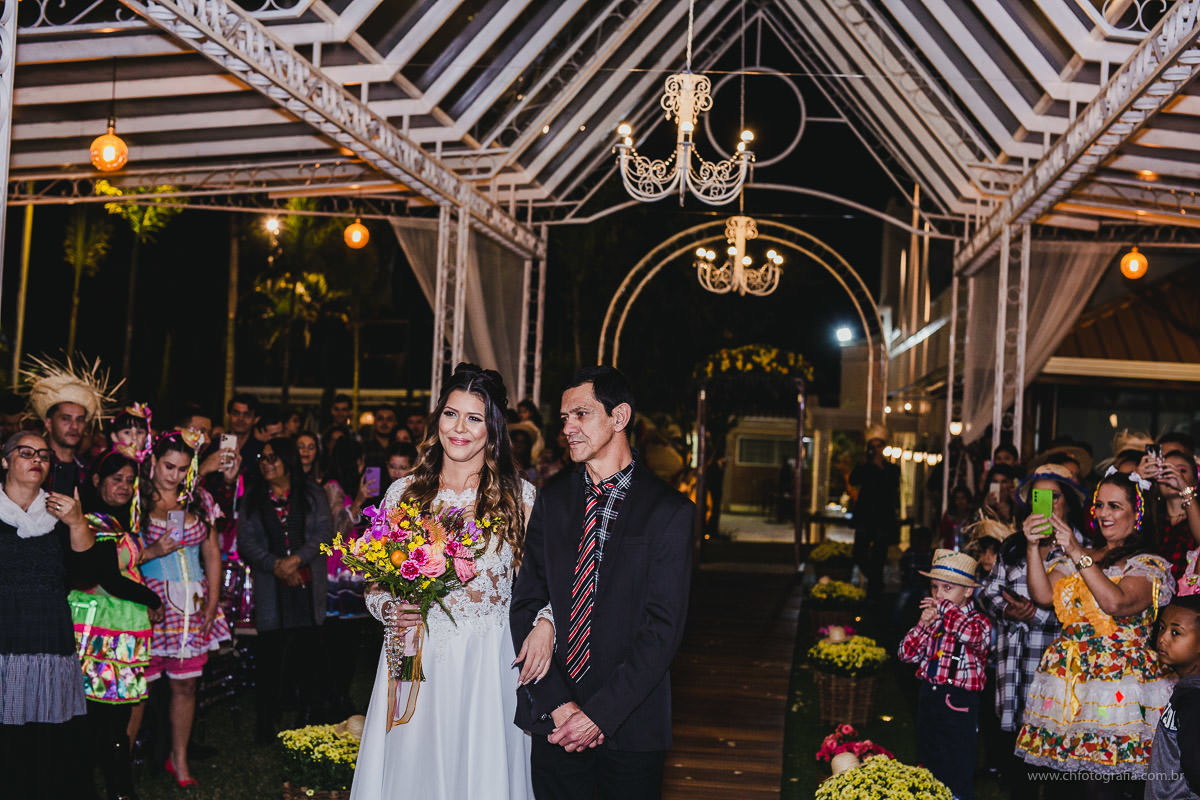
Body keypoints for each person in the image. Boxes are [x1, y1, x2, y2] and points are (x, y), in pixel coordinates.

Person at [352, 364, 552, 800]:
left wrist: (546, 624)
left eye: (474, 418)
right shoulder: (403, 495)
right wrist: (390, 608)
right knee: (411, 770)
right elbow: (374, 584)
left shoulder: (520, 499)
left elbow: (549, 585)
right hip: (413, 657)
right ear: (436, 419)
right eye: (450, 414)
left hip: (488, 663)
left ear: (493, 429)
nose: (459, 428)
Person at [511, 365, 694, 800]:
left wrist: (597, 715)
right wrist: (558, 704)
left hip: (630, 726)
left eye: (581, 414)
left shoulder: (668, 511)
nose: (568, 428)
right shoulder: (552, 499)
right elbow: (525, 602)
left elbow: (662, 630)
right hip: (554, 721)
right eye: (564, 419)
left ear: (620, 417)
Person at [1015, 471, 1175, 795]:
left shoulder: (1147, 564)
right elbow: (1043, 594)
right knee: (1064, 785)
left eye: (1114, 506)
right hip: (1072, 682)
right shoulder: (1086, 554)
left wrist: (1076, 551)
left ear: (1137, 514)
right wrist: (1033, 547)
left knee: (1103, 785)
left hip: (1116, 688)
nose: (1103, 513)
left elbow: (1116, 602)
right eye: (1100, 505)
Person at [977, 463, 1086, 797]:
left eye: (1055, 496)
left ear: (1068, 502)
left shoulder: (1082, 549)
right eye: (1041, 496)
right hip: (1013, 671)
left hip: (1055, 677)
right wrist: (1009, 610)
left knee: (1055, 775)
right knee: (1015, 775)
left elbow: (1083, 612)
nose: (1049, 504)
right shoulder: (1012, 545)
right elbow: (986, 593)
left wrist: (1033, 616)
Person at [0, 431, 96, 799]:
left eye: (43, 454)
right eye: (26, 453)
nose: (36, 459)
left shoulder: (60, 511)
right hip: (5, 637)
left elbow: (86, 575)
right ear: (5, 461)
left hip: (48, 639)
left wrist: (76, 523)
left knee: (48, 739)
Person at [137, 430, 231, 788]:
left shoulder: (198, 501)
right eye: (168, 466)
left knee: (186, 686)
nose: (173, 475)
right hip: (151, 599)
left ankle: (179, 757)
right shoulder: (136, 500)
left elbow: (211, 552)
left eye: (181, 469)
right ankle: (125, 754)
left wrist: (212, 601)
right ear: (153, 462)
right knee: (139, 687)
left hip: (192, 601)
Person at [71, 450, 164, 800]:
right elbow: (108, 578)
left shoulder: (116, 521)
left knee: (110, 722)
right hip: (101, 640)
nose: (124, 486)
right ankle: (118, 791)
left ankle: (115, 789)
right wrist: (151, 599)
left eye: (129, 480)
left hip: (118, 636)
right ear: (97, 481)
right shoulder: (94, 521)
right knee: (107, 722)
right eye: (116, 479)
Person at [237, 437, 333, 742]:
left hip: (307, 587)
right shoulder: (253, 498)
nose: (266, 464)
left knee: (311, 657)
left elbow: (324, 533)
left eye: (273, 458)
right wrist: (276, 564)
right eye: (263, 459)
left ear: (288, 462)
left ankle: (311, 716)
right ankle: (266, 723)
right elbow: (246, 542)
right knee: (269, 660)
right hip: (271, 590)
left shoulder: (311, 493)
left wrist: (295, 560)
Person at [897, 549, 990, 800]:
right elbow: (906, 654)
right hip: (929, 696)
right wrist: (923, 625)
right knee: (928, 759)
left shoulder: (979, 621)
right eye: (935, 587)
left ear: (968, 591)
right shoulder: (935, 619)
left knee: (957, 762)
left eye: (947, 588)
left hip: (958, 702)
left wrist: (946, 610)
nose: (938, 595)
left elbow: (972, 637)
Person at [1147, 595, 1200, 800]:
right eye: (1161, 628)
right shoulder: (1186, 690)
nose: (1163, 638)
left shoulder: (1194, 698)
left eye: (1176, 632)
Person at [849, 424, 900, 603]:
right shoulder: (864, 465)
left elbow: (893, 490)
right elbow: (853, 480)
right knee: (859, 553)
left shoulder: (892, 469)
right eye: (872, 446)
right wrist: (863, 464)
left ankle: (875, 593)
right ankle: (873, 581)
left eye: (878, 445)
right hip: (865, 518)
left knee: (879, 556)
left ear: (883, 447)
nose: (875, 449)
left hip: (882, 519)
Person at [1144, 450, 1200, 580]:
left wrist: (1184, 488)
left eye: (1181, 471)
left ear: (1195, 481)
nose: (1173, 476)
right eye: (1165, 470)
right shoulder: (1152, 520)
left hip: (1191, 596)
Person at [938, 484, 974, 550]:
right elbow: (942, 535)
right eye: (957, 498)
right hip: (949, 552)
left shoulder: (973, 517)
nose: (960, 501)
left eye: (963, 498)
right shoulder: (948, 516)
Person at [362, 404, 399, 469]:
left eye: (389, 419)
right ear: (374, 422)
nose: (384, 422)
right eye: (380, 419)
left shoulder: (399, 447)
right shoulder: (364, 448)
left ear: (395, 423)